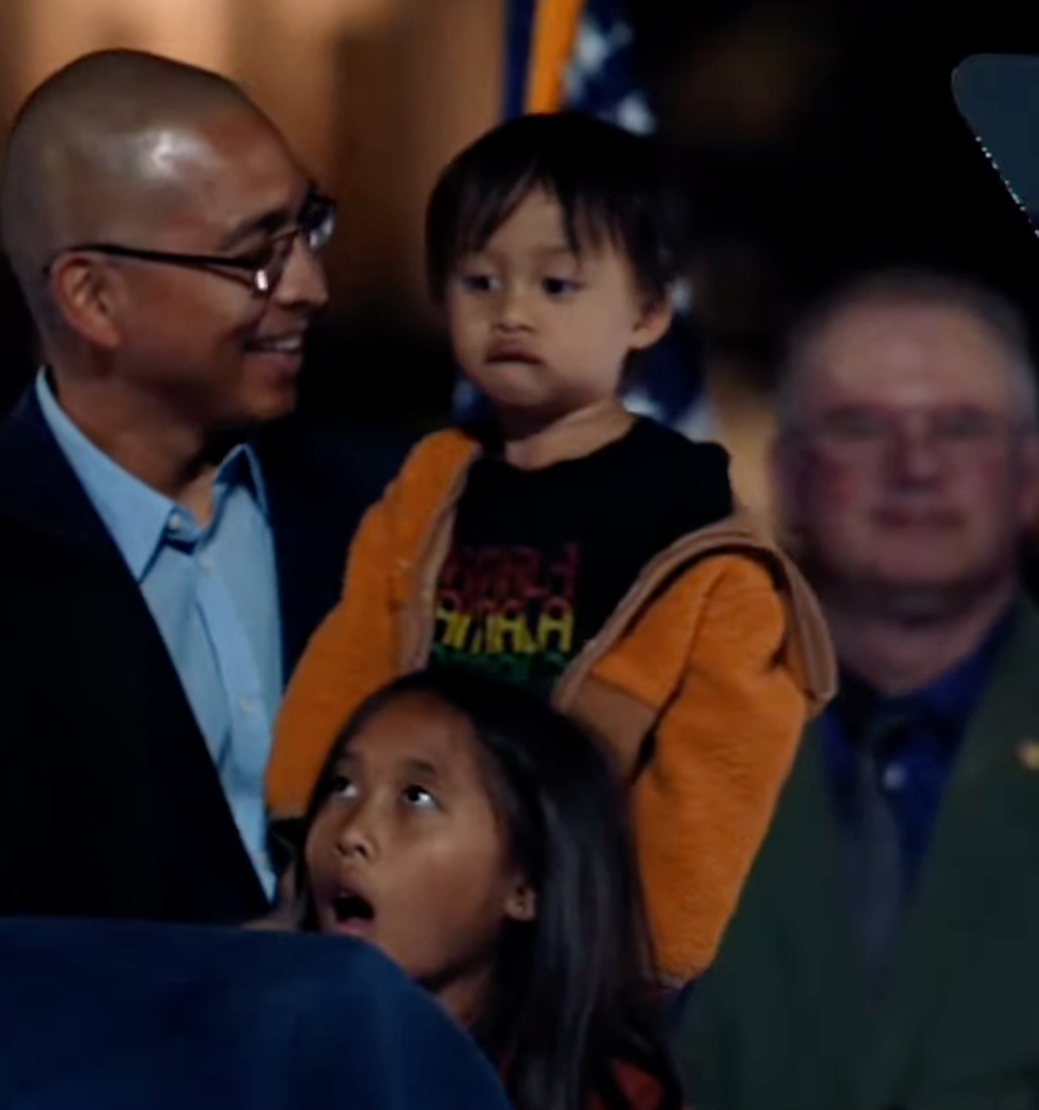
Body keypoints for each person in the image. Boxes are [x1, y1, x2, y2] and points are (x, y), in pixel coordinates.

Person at [265, 113, 837, 984]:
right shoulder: (435, 487)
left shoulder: (689, 528)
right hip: (400, 908)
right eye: (479, 281)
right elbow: (353, 657)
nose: (512, 313)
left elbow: (723, 759)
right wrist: (303, 821)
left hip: (569, 947)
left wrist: (640, 954)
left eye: (557, 285)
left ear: (648, 312)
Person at [0, 49, 412, 924]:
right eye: (257, 255)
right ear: (93, 298)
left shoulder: (394, 508)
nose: (309, 286)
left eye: (309, 230)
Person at [680, 271, 1039, 1110]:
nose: (916, 467)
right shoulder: (649, 745)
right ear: (789, 478)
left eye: (961, 427)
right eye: (860, 427)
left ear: (1029, 478)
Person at [298, 667, 681, 1110]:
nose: (352, 834)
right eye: (342, 787)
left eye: (416, 797)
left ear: (524, 883)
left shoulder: (616, 1098)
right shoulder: (254, 1049)